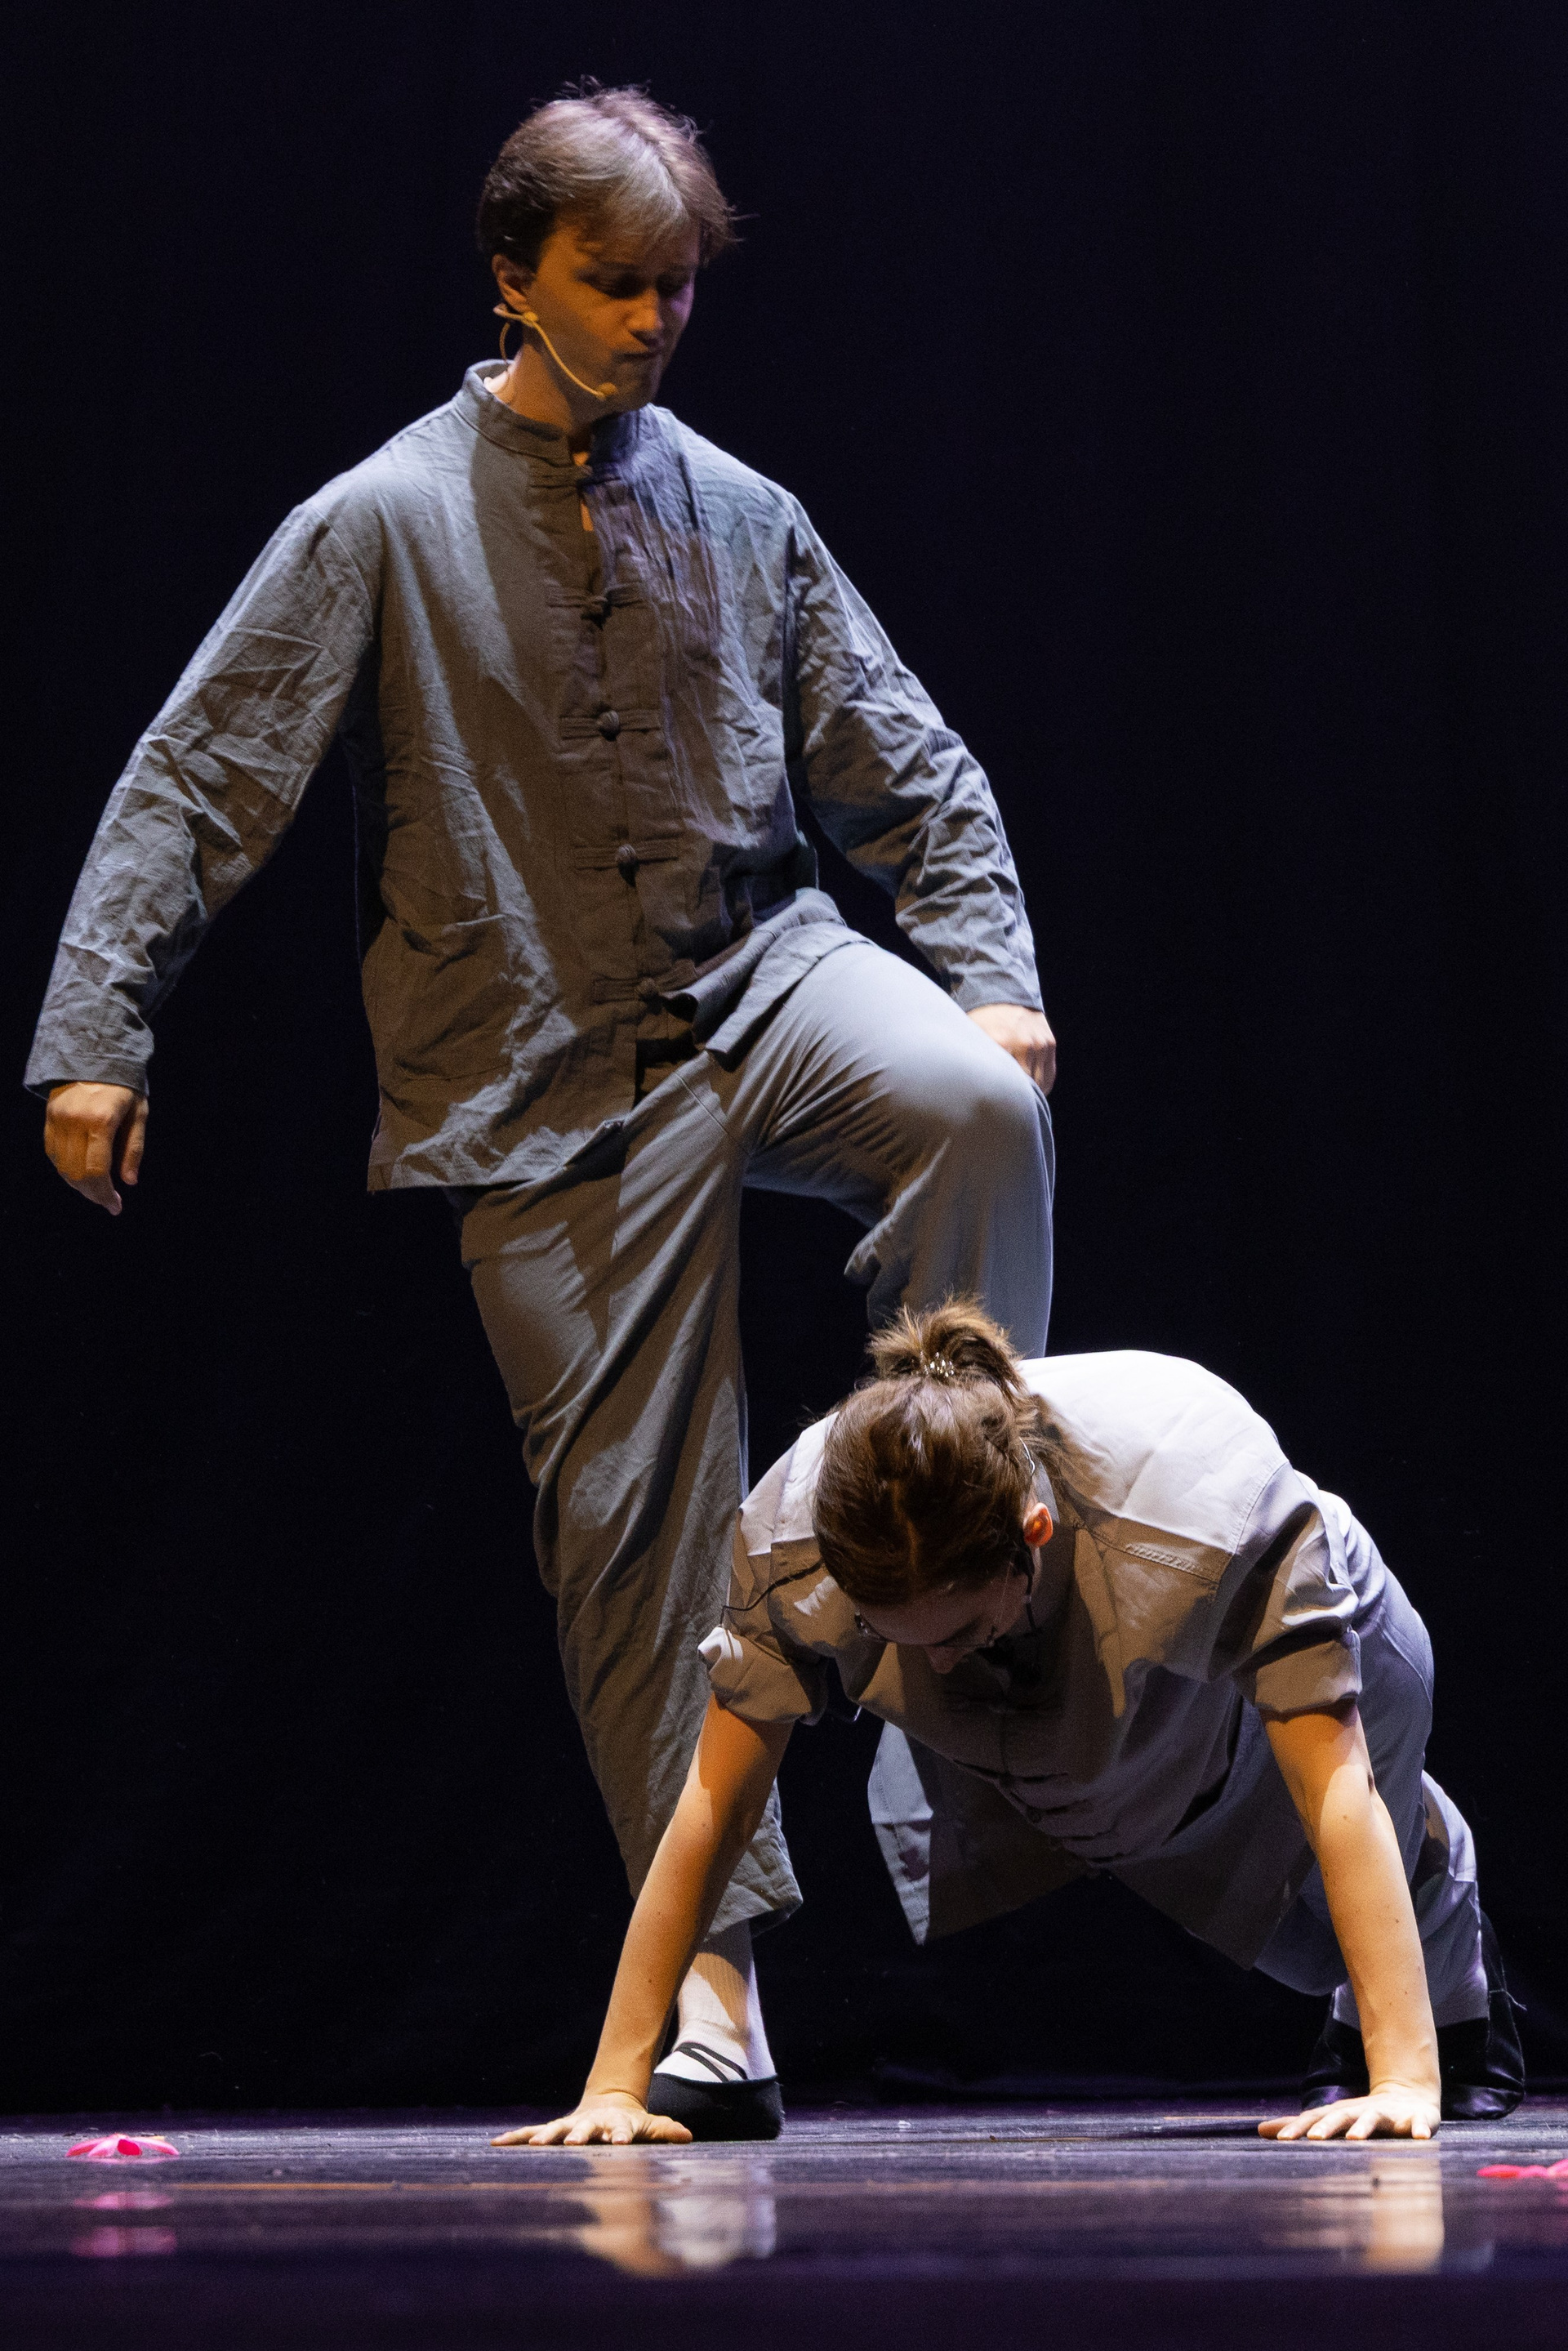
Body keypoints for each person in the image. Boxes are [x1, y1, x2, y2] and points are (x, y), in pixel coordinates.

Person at [27, 90, 1056, 2137]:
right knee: (633, 1538)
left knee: (972, 1105)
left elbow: (907, 758)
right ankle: (719, 1995)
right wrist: (95, 1030)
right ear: (513, 278)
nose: (656, 319)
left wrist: (991, 968)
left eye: (681, 286)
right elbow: (202, 768)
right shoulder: (383, 520)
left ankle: (937, 1578)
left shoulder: (742, 509)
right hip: (537, 1067)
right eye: (616, 283)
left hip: (761, 977)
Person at [496, 1298, 1523, 2148]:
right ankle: (1373, 1989)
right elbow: (712, 1807)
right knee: (1252, 1909)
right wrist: (613, 2085)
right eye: (893, 1633)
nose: (934, 1661)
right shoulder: (797, 1537)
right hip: (1086, 1717)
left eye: (954, 1629)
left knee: (1342, 1874)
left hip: (1328, 1649)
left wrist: (1403, 2073)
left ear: (1031, 1535)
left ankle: (1444, 1961)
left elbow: (1335, 1781)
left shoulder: (1192, 1508)